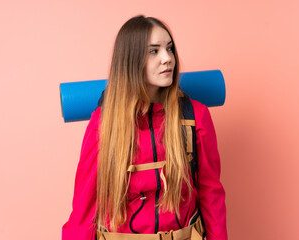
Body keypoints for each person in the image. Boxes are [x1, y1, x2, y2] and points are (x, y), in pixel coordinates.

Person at [62, 15, 227, 240]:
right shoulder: (103, 124)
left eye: (169, 49)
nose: (167, 58)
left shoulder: (195, 116)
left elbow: (211, 195)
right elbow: (84, 210)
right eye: (154, 51)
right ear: (131, 60)